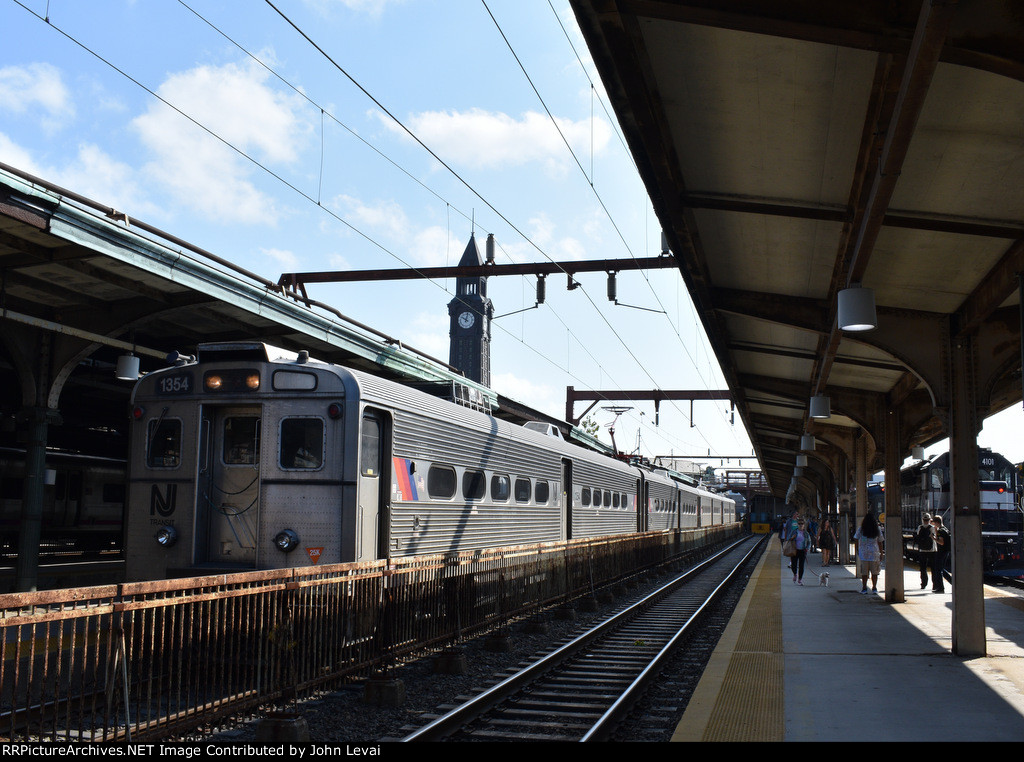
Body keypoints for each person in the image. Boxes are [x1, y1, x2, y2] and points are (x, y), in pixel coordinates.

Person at [854, 511, 884, 594]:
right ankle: (874, 588)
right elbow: (880, 542)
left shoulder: (861, 529)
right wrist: (881, 553)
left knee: (864, 573)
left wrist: (857, 549)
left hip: (864, 554)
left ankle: (864, 588)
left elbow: (856, 538)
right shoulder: (877, 529)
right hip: (874, 553)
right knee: (875, 572)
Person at [788, 518, 812, 585]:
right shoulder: (794, 531)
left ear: (804, 525)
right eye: (799, 524)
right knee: (793, 565)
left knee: (801, 566)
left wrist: (807, 548)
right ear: (797, 525)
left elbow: (809, 542)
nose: (801, 525)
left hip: (802, 551)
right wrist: (792, 538)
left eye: (802, 524)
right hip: (794, 550)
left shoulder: (806, 533)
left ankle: (800, 579)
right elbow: (789, 539)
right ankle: (795, 574)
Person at [914, 513, 935, 589]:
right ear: (930, 520)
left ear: (922, 520)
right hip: (931, 550)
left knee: (923, 568)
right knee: (933, 568)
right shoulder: (932, 528)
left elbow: (917, 536)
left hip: (922, 550)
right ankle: (934, 585)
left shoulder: (920, 527)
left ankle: (923, 584)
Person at [931, 515, 950, 593]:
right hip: (946, 551)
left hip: (941, 551)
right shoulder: (944, 529)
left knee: (938, 570)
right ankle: (952, 582)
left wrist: (933, 538)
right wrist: (936, 530)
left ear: (936, 522)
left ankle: (940, 588)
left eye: (934, 523)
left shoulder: (940, 531)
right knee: (941, 569)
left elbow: (941, 542)